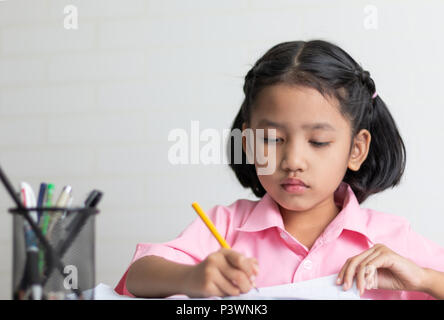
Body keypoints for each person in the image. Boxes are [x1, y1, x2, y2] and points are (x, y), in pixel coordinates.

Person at [115, 40, 444, 299]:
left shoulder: (388, 241)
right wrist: (192, 277)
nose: (293, 161)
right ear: (248, 144)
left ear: (356, 149)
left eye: (317, 142)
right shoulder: (224, 227)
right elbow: (137, 275)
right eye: (272, 139)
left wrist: (425, 279)